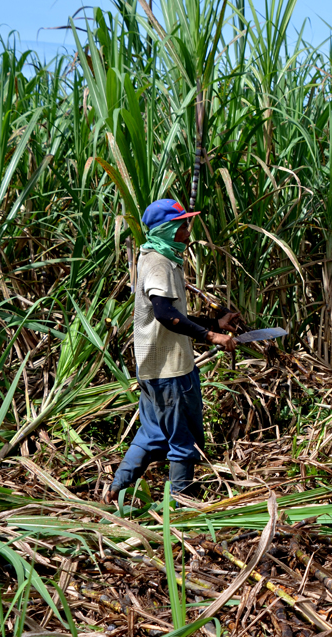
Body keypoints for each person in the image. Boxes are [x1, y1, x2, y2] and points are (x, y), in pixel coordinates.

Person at [105, 199, 238, 503]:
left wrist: (216, 322)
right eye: (183, 226)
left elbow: (173, 314)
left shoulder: (156, 257)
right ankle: (181, 507)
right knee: (183, 440)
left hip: (152, 369)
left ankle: (115, 489)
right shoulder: (159, 264)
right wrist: (211, 336)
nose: (188, 231)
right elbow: (165, 314)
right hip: (171, 372)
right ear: (167, 229)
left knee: (152, 433)